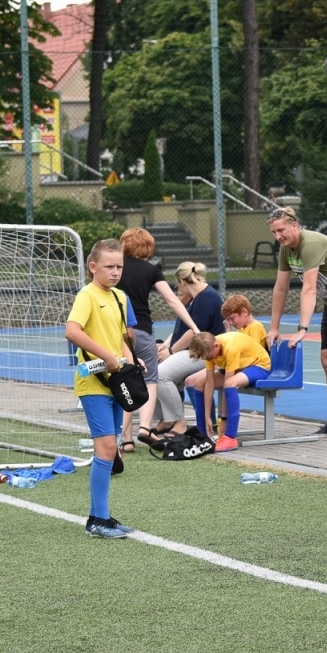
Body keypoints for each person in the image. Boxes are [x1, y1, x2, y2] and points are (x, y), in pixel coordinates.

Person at [64, 239, 137, 539]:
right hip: (93, 383)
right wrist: (105, 356)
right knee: (106, 448)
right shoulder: (87, 295)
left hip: (117, 382)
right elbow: (72, 331)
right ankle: (98, 519)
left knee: (110, 449)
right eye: (109, 266)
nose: (116, 272)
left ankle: (100, 517)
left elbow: (120, 337)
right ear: (92, 267)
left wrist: (131, 362)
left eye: (119, 266)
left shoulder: (120, 296)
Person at [117, 228, 201, 453]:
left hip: (116, 331)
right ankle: (144, 426)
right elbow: (172, 301)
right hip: (142, 329)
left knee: (124, 382)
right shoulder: (150, 270)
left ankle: (125, 439)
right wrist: (193, 325)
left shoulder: (115, 268)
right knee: (150, 379)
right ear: (147, 247)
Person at [267, 206, 327, 436]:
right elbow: (280, 288)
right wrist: (274, 327)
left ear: (294, 225)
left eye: (281, 230)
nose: (277, 236)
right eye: (273, 232)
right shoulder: (286, 249)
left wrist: (302, 328)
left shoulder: (309, 243)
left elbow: (309, 288)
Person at [152, 262, 225, 440]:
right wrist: (164, 347)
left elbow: (194, 332)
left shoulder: (206, 298)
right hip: (191, 352)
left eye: (178, 286)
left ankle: (178, 420)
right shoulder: (194, 298)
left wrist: (170, 351)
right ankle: (166, 419)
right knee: (150, 368)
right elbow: (178, 330)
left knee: (161, 374)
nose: (178, 290)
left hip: (205, 353)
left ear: (183, 281)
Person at [186, 328, 271, 451]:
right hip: (239, 367)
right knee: (199, 384)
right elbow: (209, 383)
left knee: (230, 384)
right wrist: (207, 417)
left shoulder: (230, 348)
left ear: (216, 346)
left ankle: (230, 437)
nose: (209, 359)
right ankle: (202, 433)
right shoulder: (209, 351)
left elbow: (227, 384)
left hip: (259, 366)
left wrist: (223, 420)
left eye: (209, 357)